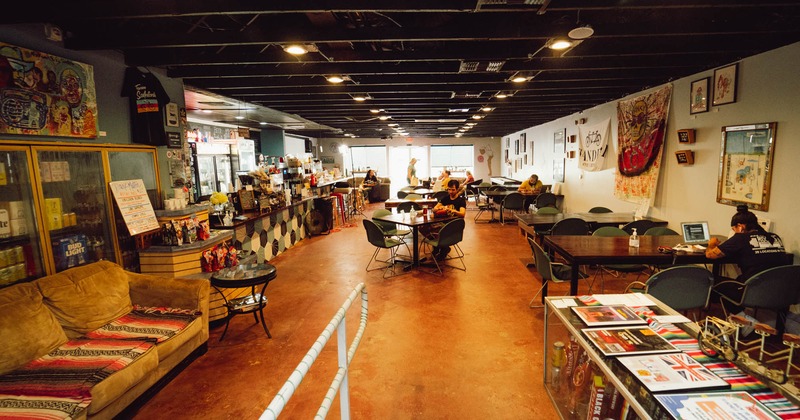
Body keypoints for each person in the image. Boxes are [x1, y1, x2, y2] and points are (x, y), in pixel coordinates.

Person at [707, 205, 786, 315]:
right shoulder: (775, 237)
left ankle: (743, 320)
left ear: (740, 227)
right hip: (780, 290)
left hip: (753, 291)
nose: (734, 232)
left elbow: (710, 255)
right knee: (739, 279)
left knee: (712, 281)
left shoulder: (740, 238)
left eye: (734, 230)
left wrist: (711, 244)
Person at [428, 179, 467, 260]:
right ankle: (438, 248)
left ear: (457, 189)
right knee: (428, 229)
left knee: (438, 230)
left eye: (453, 190)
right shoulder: (445, 198)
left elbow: (462, 214)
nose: (450, 192)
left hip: (453, 225)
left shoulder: (461, 200)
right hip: (444, 224)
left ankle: (443, 249)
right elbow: (434, 209)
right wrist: (440, 207)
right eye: (449, 189)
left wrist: (454, 211)